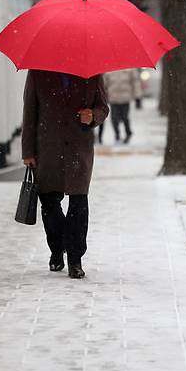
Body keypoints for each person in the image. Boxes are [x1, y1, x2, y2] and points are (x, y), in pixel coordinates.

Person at [21, 70, 109, 279]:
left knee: (79, 203)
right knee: (50, 202)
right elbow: (29, 113)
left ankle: (75, 259)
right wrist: (28, 152)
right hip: (48, 148)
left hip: (79, 148)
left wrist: (92, 116)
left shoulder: (92, 72)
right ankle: (57, 248)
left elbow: (103, 107)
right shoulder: (37, 72)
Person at [102, 69, 142, 144]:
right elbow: (104, 84)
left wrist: (137, 97)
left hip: (125, 99)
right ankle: (117, 134)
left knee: (125, 117)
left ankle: (128, 132)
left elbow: (135, 83)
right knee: (114, 119)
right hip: (113, 98)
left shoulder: (130, 70)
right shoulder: (109, 70)